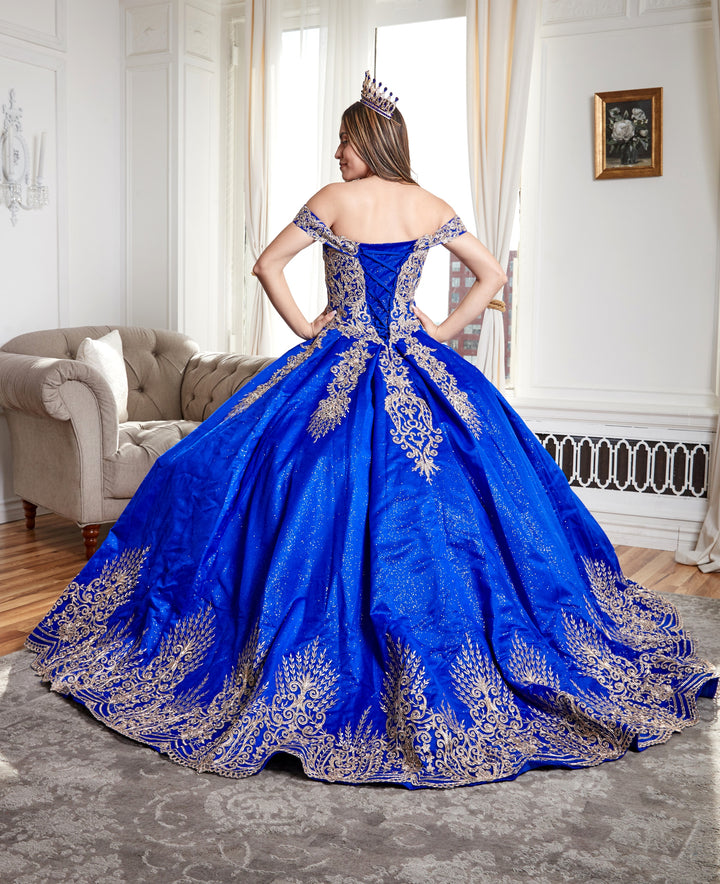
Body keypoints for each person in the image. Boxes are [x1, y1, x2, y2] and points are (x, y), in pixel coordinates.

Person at [27, 73, 716, 789]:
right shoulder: (431, 204)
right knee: (466, 498)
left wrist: (307, 327)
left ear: (370, 140)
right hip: (418, 363)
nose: (336, 153)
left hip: (338, 359)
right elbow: (491, 276)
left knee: (233, 475)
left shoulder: (335, 201)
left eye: (345, 141)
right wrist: (440, 332)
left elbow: (267, 264)